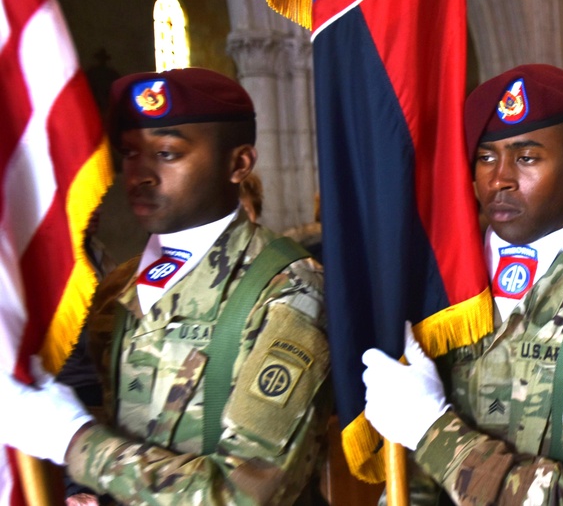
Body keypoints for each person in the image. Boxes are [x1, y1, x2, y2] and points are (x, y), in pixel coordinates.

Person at [360, 64, 563, 504]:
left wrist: (431, 428)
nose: (499, 178)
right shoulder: (437, 295)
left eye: (526, 157)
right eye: (485, 156)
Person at [0, 68, 330, 505]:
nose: (141, 174)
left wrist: (74, 443)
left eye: (168, 153)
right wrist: (81, 491)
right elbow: (97, 410)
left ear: (239, 163)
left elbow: (244, 494)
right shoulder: (115, 288)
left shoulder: (287, 288)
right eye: (131, 154)